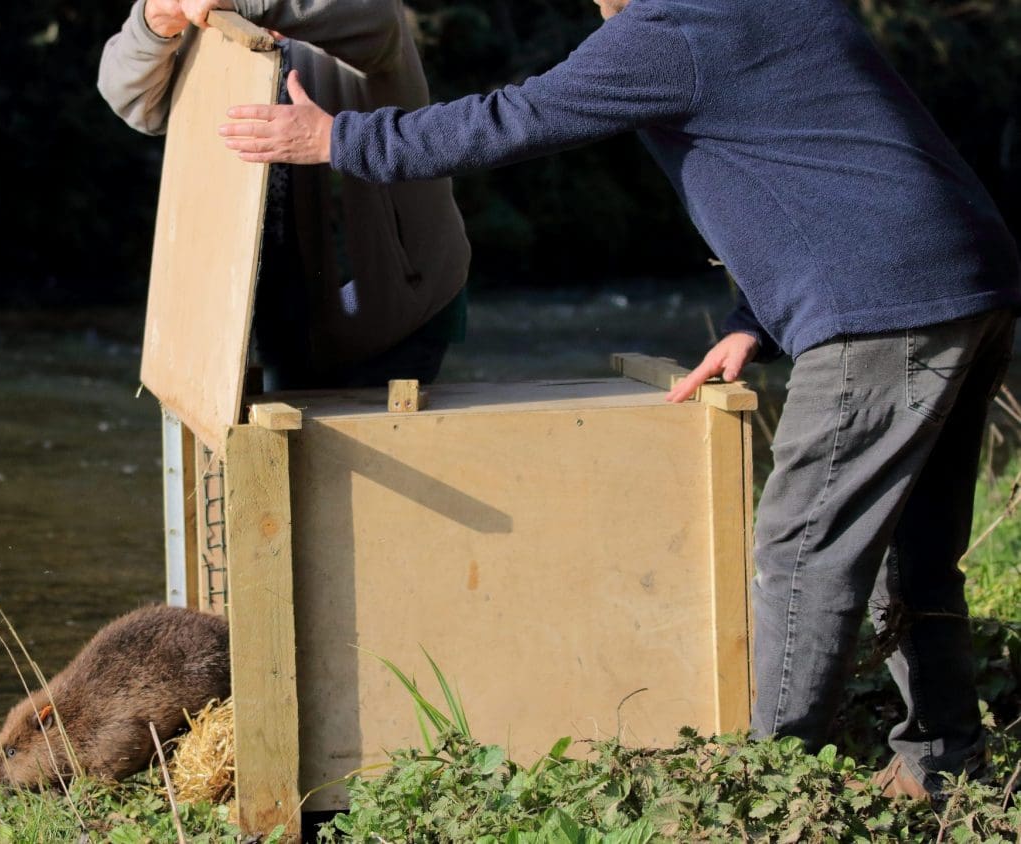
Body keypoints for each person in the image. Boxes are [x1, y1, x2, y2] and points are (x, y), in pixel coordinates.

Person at [219, 0, 1021, 800]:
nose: (599, 13)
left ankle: (760, 784)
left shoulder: (671, 28)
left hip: (883, 306)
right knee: (916, 552)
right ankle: (941, 762)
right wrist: (756, 322)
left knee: (798, 551)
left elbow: (515, 117)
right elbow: (827, 162)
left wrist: (339, 140)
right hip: (970, 276)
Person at [97, 0, 470, 391]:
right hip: (273, 307)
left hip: (395, 304)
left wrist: (246, 3)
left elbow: (377, 23)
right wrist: (155, 20)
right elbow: (135, 101)